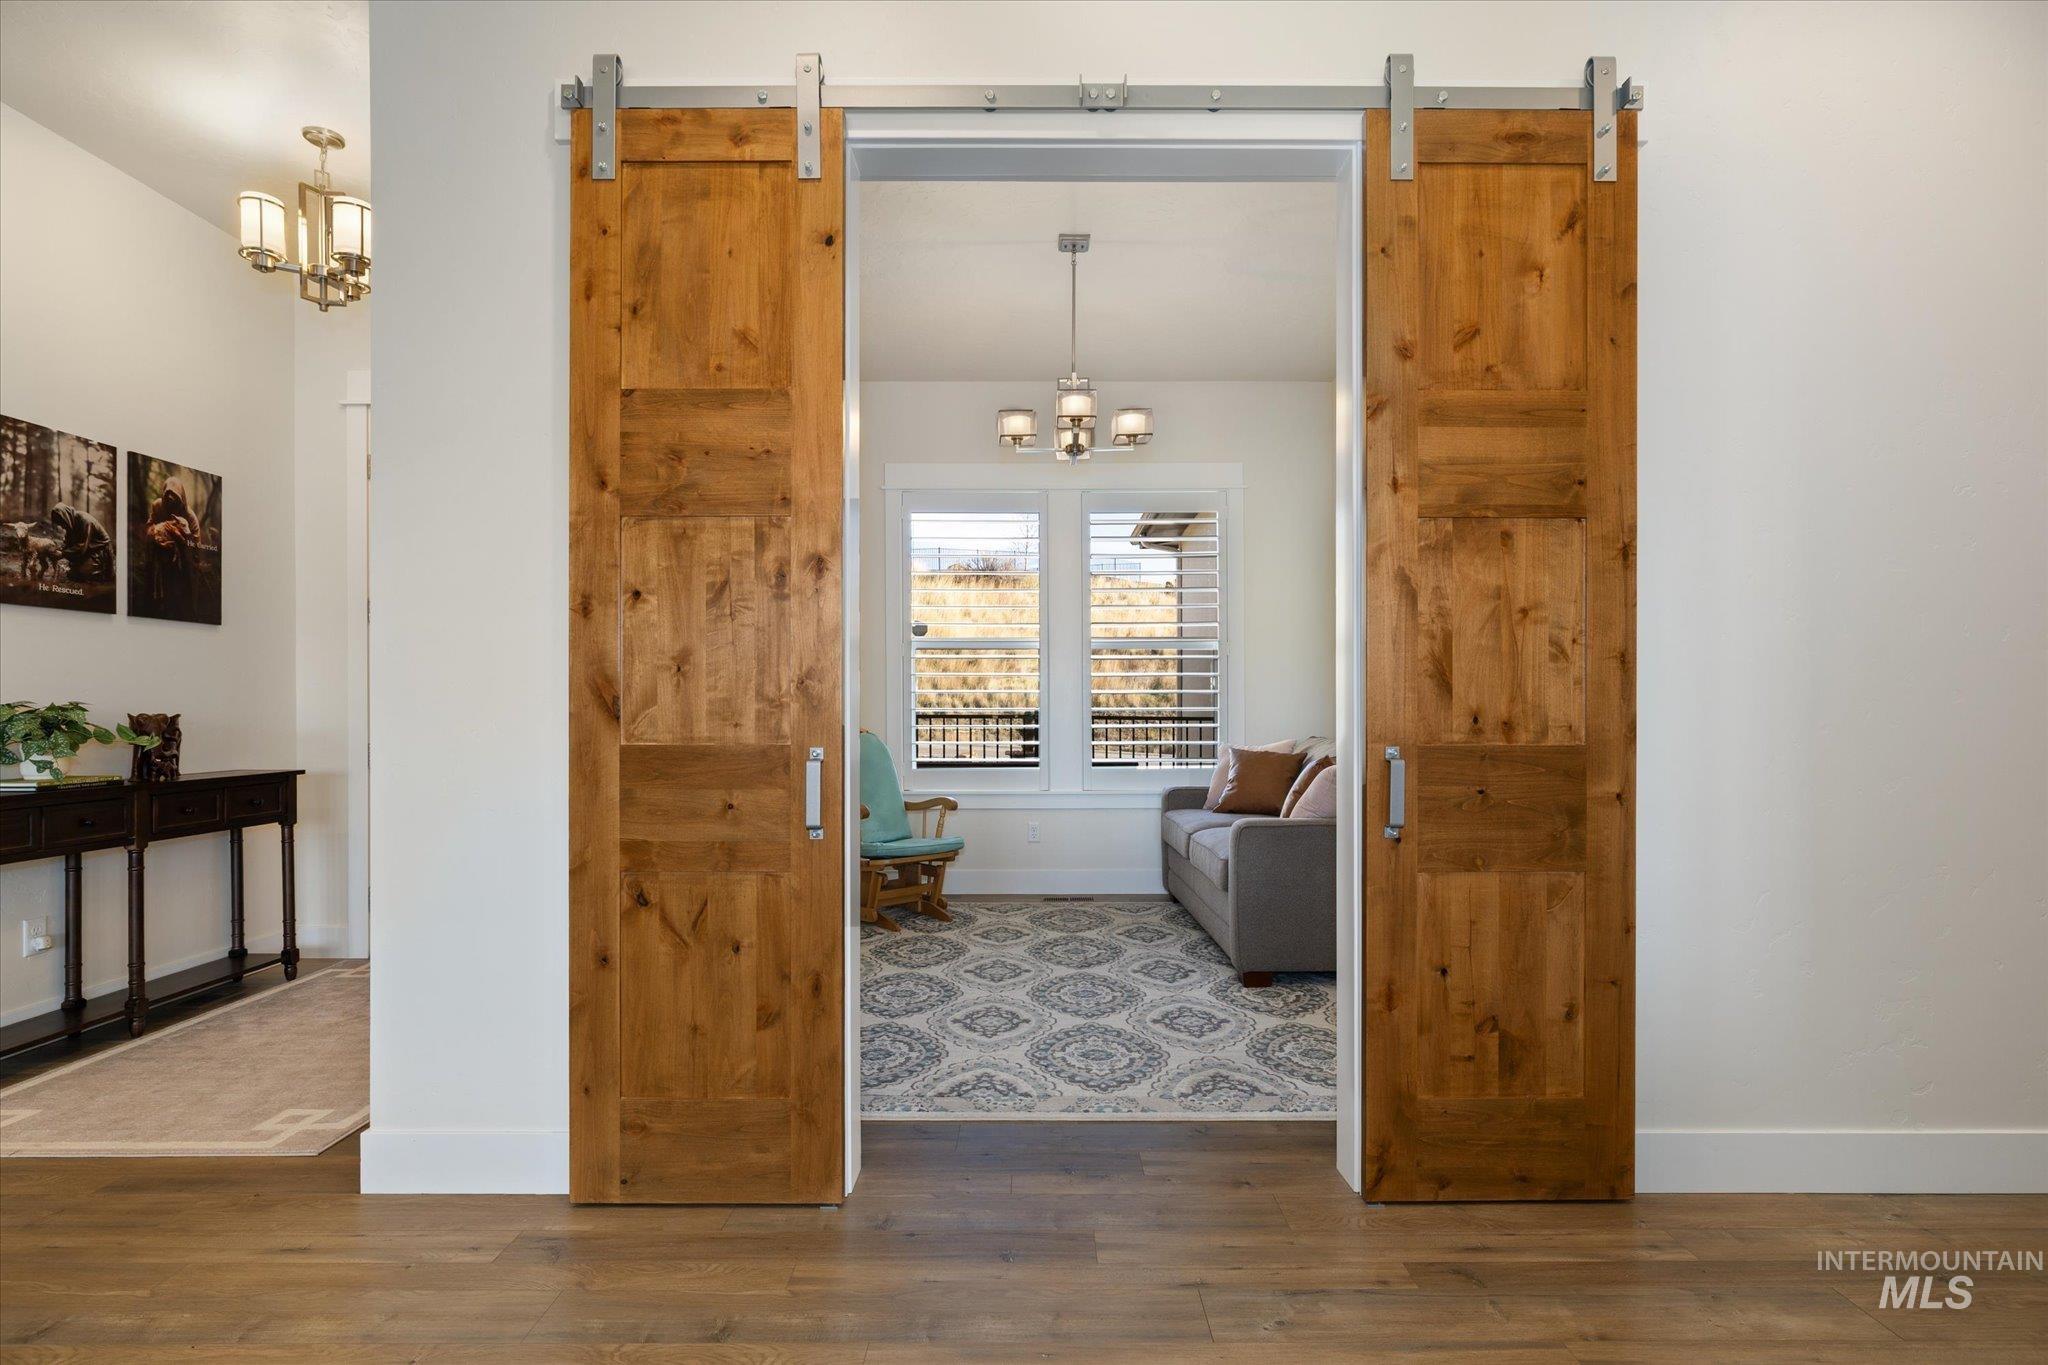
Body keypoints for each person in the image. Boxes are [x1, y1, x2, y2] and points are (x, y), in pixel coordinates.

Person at [45, 503, 111, 580]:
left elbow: (83, 546)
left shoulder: (85, 521)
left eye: (62, 522)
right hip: (88, 549)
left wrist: (63, 553)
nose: (62, 526)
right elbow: (68, 542)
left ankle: (102, 570)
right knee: (73, 573)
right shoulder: (71, 523)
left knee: (82, 574)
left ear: (66, 517)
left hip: (100, 550)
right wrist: (58, 550)